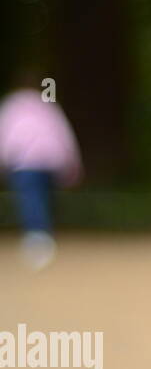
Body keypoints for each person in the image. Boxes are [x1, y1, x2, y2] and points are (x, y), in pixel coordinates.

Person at [0, 69, 83, 270]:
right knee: (44, 198)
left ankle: (37, 239)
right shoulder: (48, 104)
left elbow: (6, 134)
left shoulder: (13, 105)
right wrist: (73, 163)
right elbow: (63, 134)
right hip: (50, 160)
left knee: (31, 199)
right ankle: (44, 236)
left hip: (24, 161)